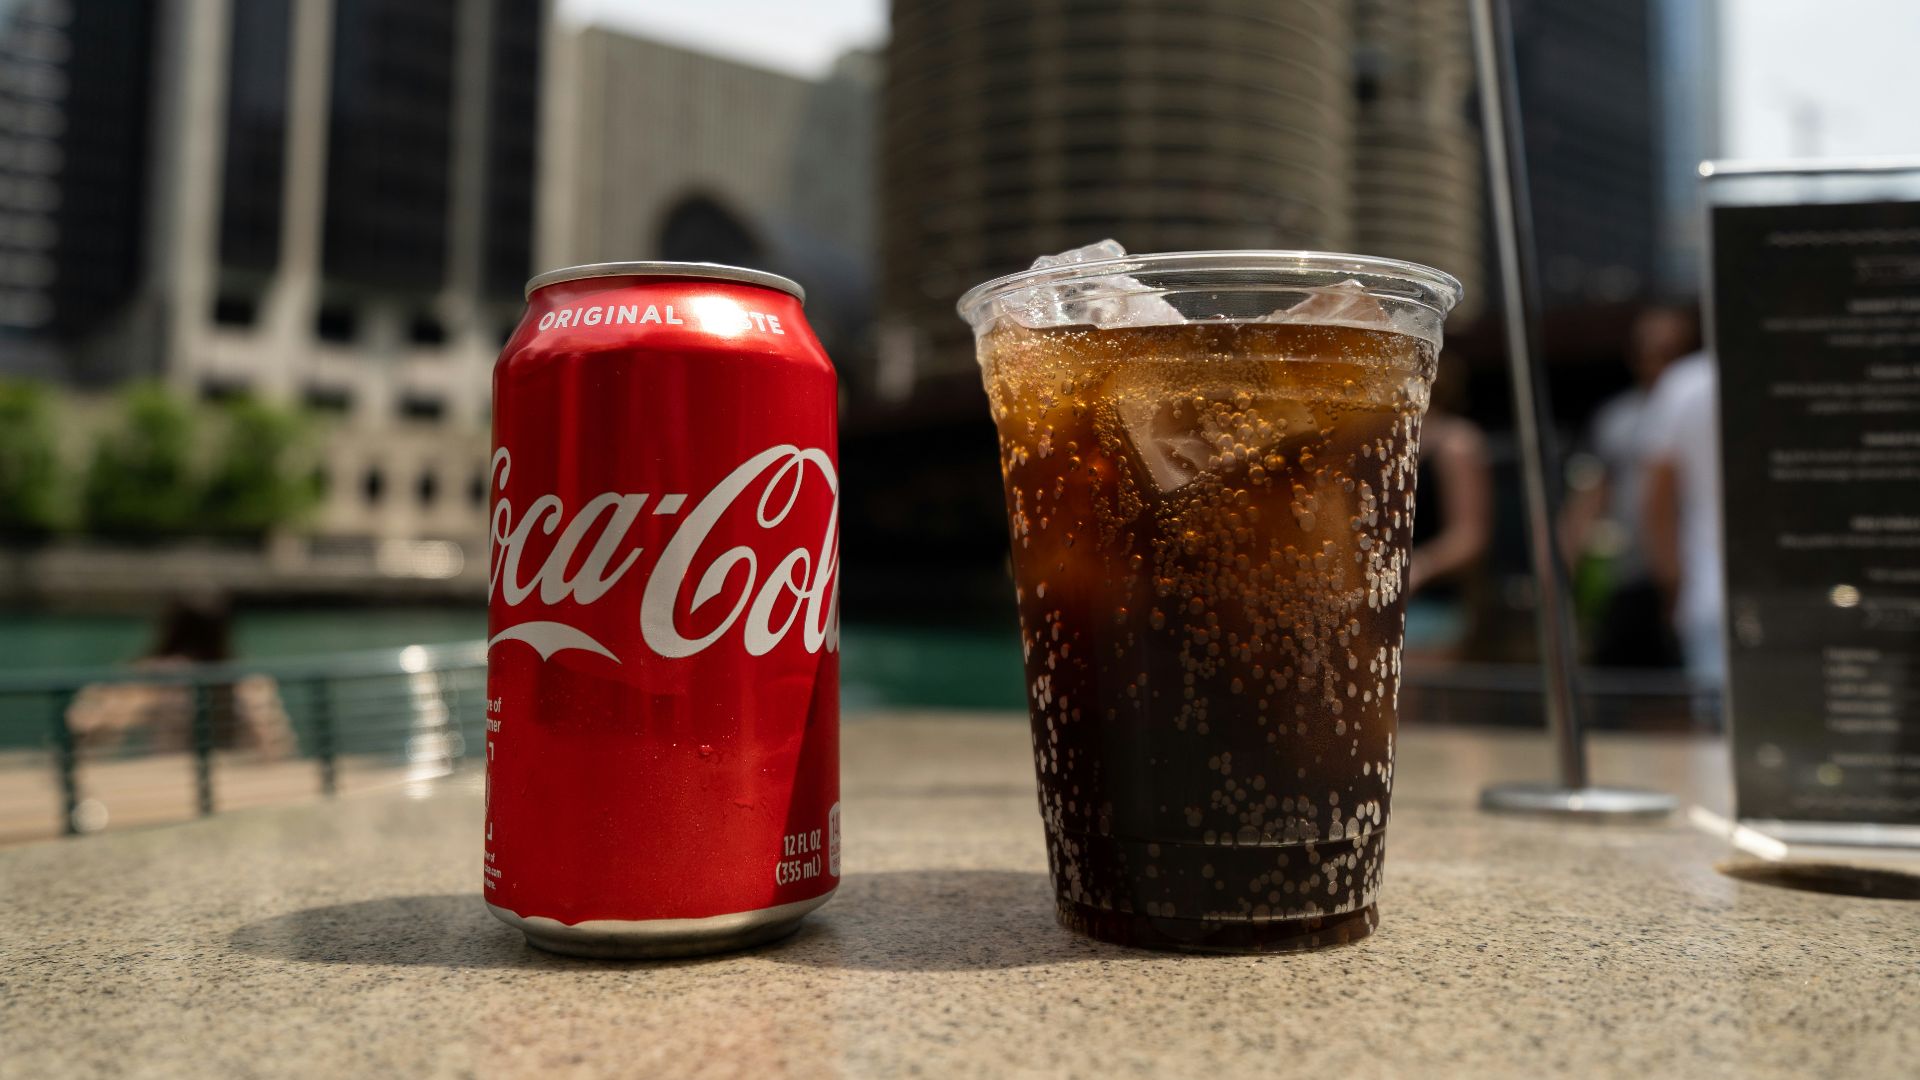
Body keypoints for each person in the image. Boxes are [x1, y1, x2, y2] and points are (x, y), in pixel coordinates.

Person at [1561, 306, 1698, 666]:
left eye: (1671, 353)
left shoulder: (1702, 409)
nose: (1658, 364)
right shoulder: (1616, 418)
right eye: (1648, 353)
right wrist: (1564, 567)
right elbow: (1591, 495)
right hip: (1631, 573)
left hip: (1693, 569)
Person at [65, 593, 294, 757]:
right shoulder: (244, 677)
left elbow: (87, 722)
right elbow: (272, 738)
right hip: (233, 777)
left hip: (174, 774)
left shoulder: (155, 675)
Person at [1640, 348, 1722, 686]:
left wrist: (1671, 582)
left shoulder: (1685, 383)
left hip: (1709, 591)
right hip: (1713, 590)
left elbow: (1655, 498)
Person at [1405, 358, 1493, 656]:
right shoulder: (1391, 438)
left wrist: (1419, 568)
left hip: (1431, 607)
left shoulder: (1456, 443)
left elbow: (1469, 536)